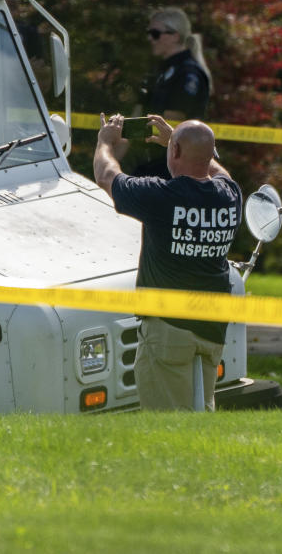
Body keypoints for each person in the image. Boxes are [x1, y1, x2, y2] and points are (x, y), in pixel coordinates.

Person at [94, 113, 242, 411]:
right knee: (201, 413)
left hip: (169, 331)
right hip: (212, 328)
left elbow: (106, 177)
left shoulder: (161, 197)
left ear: (174, 152)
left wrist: (105, 143)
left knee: (170, 428)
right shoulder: (230, 196)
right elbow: (219, 171)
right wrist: (178, 140)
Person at [128, 7, 213, 178]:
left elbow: (171, 124)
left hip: (173, 170)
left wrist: (127, 131)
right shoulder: (163, 71)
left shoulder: (188, 74)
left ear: (175, 36)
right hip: (153, 164)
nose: (150, 39)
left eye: (155, 33)